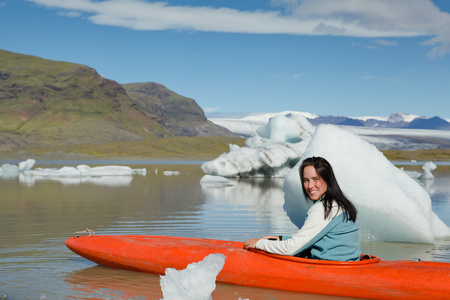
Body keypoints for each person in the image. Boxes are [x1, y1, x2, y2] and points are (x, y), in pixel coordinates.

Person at [243, 156, 361, 261]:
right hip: (346, 264)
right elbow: (318, 238)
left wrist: (259, 244)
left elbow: (290, 249)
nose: (310, 186)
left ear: (328, 179)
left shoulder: (325, 208)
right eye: (306, 180)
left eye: (316, 179)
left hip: (333, 270)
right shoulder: (338, 203)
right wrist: (280, 239)